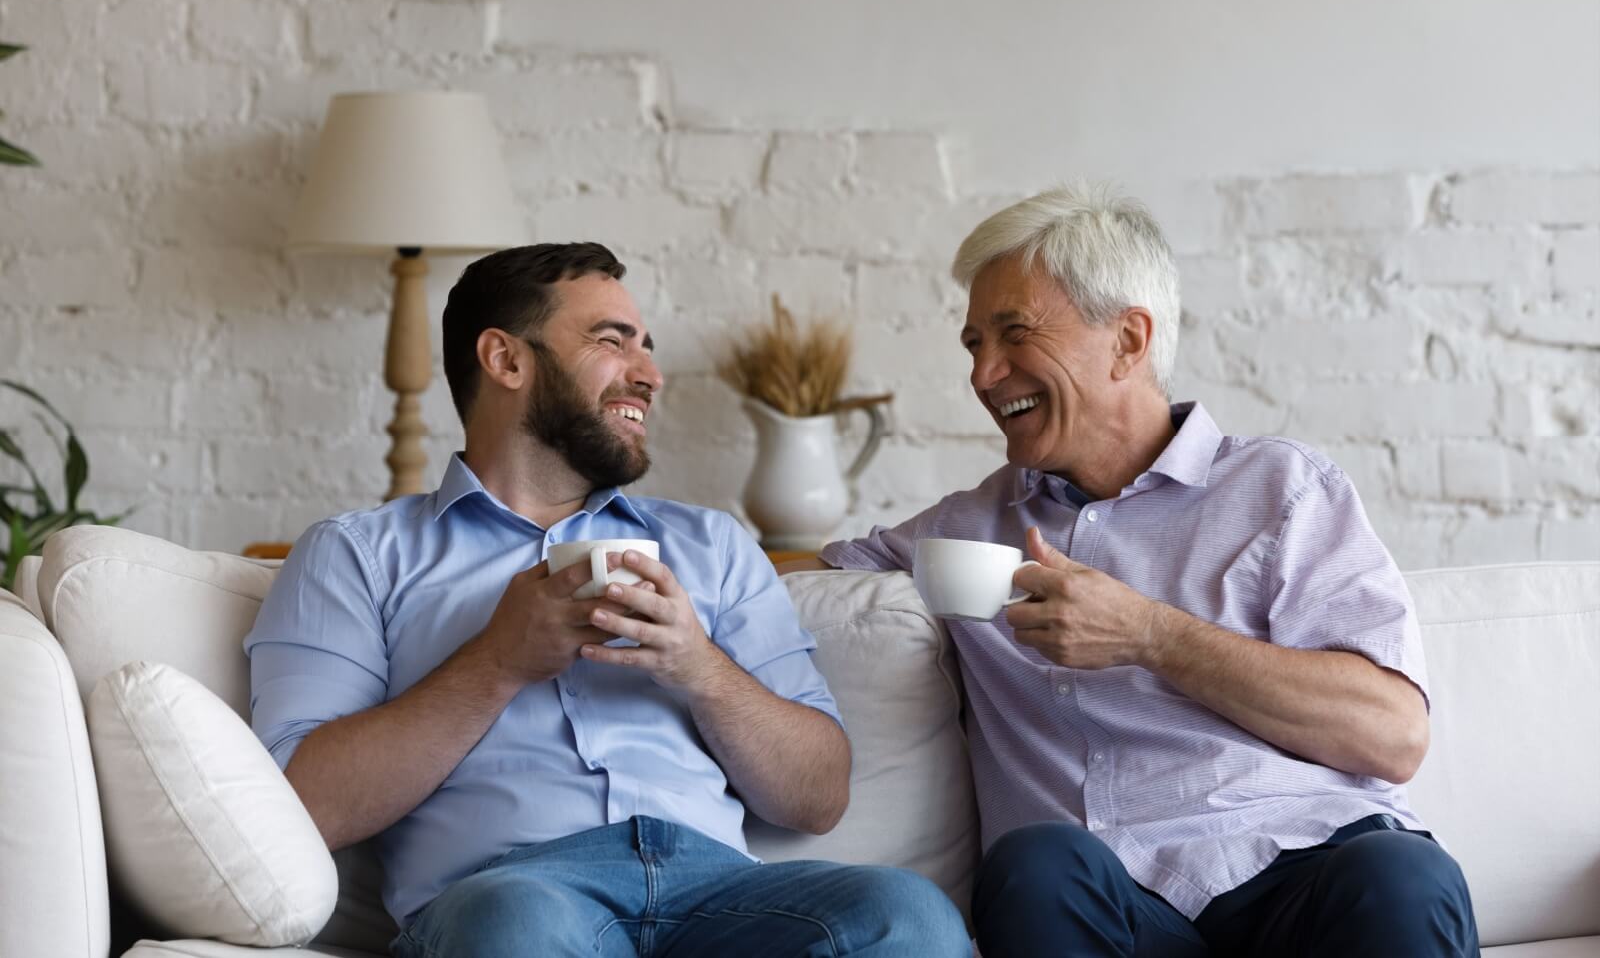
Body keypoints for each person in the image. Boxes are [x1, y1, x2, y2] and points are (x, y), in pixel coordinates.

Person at [781, 185, 1479, 957]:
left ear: (1128, 340)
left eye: (1013, 334)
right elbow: (797, 573)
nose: (983, 374)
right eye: (973, 344)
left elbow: (1392, 736)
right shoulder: (968, 531)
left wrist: (1151, 634)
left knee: (1401, 876)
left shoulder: (1281, 491)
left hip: (1308, 877)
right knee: (1034, 865)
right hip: (1112, 905)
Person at [246, 243, 968, 958]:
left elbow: (818, 798)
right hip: (513, 891)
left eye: (647, 349)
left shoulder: (712, 545)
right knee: (514, 924)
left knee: (905, 915)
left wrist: (699, 666)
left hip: (716, 896)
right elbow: (298, 805)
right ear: (506, 360)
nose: (650, 375)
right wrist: (498, 662)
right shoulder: (356, 554)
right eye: (612, 342)